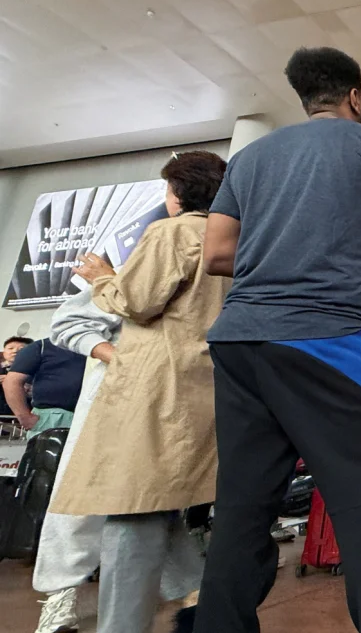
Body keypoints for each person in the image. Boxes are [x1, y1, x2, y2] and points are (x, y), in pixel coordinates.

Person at [195, 47, 361, 633]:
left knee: (243, 512)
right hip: (329, 336)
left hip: (242, 343)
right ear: (356, 97)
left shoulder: (249, 158)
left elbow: (217, 254)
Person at [52, 150, 232, 633]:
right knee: (156, 501)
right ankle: (200, 596)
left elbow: (138, 301)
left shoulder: (172, 232)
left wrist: (101, 278)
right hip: (205, 385)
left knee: (131, 507)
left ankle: (122, 626)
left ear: (176, 194)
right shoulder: (236, 240)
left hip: (156, 387)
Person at [31, 294, 120, 633]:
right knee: (80, 491)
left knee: (159, 503)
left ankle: (189, 590)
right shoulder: (129, 255)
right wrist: (122, 358)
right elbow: (70, 320)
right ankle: (59, 594)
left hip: (185, 393)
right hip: (115, 395)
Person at [2, 337, 85, 435]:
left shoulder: (98, 348)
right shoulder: (41, 346)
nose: (15, 351)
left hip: (92, 414)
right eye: (11, 348)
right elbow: (12, 382)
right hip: (53, 417)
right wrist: (25, 417)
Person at [0, 336, 32, 417]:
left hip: (23, 416)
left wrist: (18, 385)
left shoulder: (36, 371)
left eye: (21, 349)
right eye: (10, 348)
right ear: (4, 352)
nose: (15, 351)